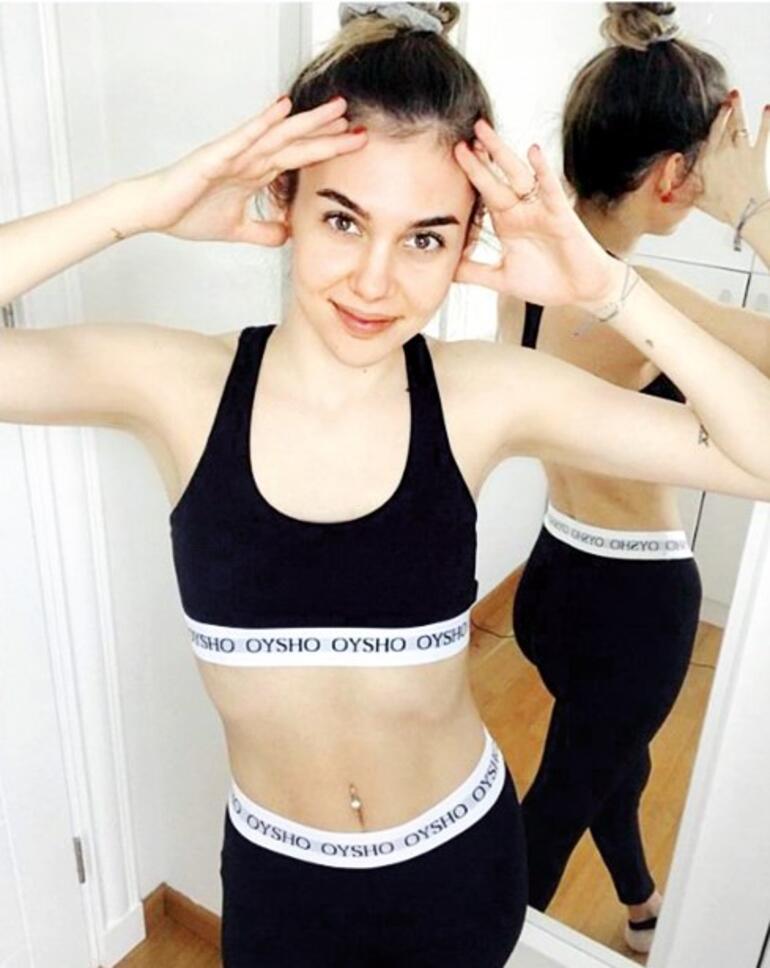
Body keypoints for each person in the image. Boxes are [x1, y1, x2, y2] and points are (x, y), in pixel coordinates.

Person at [2, 3, 770, 965]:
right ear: (283, 201)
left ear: (468, 244)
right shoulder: (180, 389)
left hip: (458, 870)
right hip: (283, 883)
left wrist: (608, 288)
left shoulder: (483, 395)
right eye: (342, 219)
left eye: (424, 239)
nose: (374, 281)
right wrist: (143, 205)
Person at [497, 1, 770, 954]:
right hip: (636, 611)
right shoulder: (638, 302)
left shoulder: (523, 263)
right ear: (672, 177)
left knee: (607, 763)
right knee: (551, 813)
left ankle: (642, 905)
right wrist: (753, 212)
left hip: (550, 584)